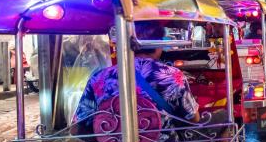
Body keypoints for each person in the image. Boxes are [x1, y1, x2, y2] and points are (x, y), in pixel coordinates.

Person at [72, 23, 200, 135]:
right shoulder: (171, 75)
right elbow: (193, 119)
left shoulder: (98, 78)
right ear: (157, 44)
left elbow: (80, 127)